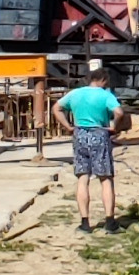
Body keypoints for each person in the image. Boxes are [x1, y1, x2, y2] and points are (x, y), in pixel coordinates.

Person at [53, 72, 129, 229]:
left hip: (80, 134)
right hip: (99, 134)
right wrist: (114, 126)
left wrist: (67, 126)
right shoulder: (105, 95)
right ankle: (109, 221)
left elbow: (56, 108)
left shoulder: (75, 93)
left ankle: (85, 222)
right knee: (105, 179)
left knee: (83, 178)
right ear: (102, 79)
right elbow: (119, 112)